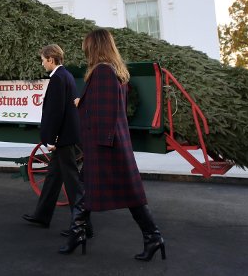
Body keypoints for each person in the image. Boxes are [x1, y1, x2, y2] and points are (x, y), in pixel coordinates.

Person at [61, 28, 166, 261]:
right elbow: (112, 109)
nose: (85, 50)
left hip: (105, 145)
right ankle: (78, 233)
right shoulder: (114, 71)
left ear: (96, 47)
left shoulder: (102, 72)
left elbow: (105, 113)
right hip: (110, 142)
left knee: (126, 195)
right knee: (87, 189)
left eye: (87, 46)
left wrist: (80, 106)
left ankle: (153, 237)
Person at [22, 44, 85, 236]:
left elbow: (56, 112)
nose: (42, 64)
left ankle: (82, 225)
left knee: (72, 182)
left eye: (43, 60)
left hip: (63, 138)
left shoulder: (58, 78)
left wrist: (51, 138)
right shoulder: (66, 75)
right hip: (67, 135)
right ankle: (42, 215)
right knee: (53, 177)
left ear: (51, 59)